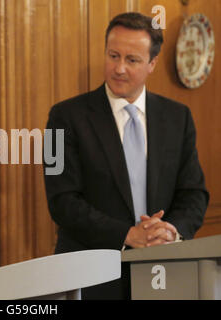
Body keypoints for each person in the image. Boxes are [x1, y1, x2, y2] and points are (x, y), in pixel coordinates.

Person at [43, 12, 209, 299]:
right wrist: (127, 234)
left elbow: (194, 193)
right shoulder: (64, 116)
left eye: (131, 60)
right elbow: (62, 200)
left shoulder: (178, 117)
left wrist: (170, 231)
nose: (119, 68)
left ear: (152, 63)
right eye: (113, 55)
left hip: (163, 272)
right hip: (90, 274)